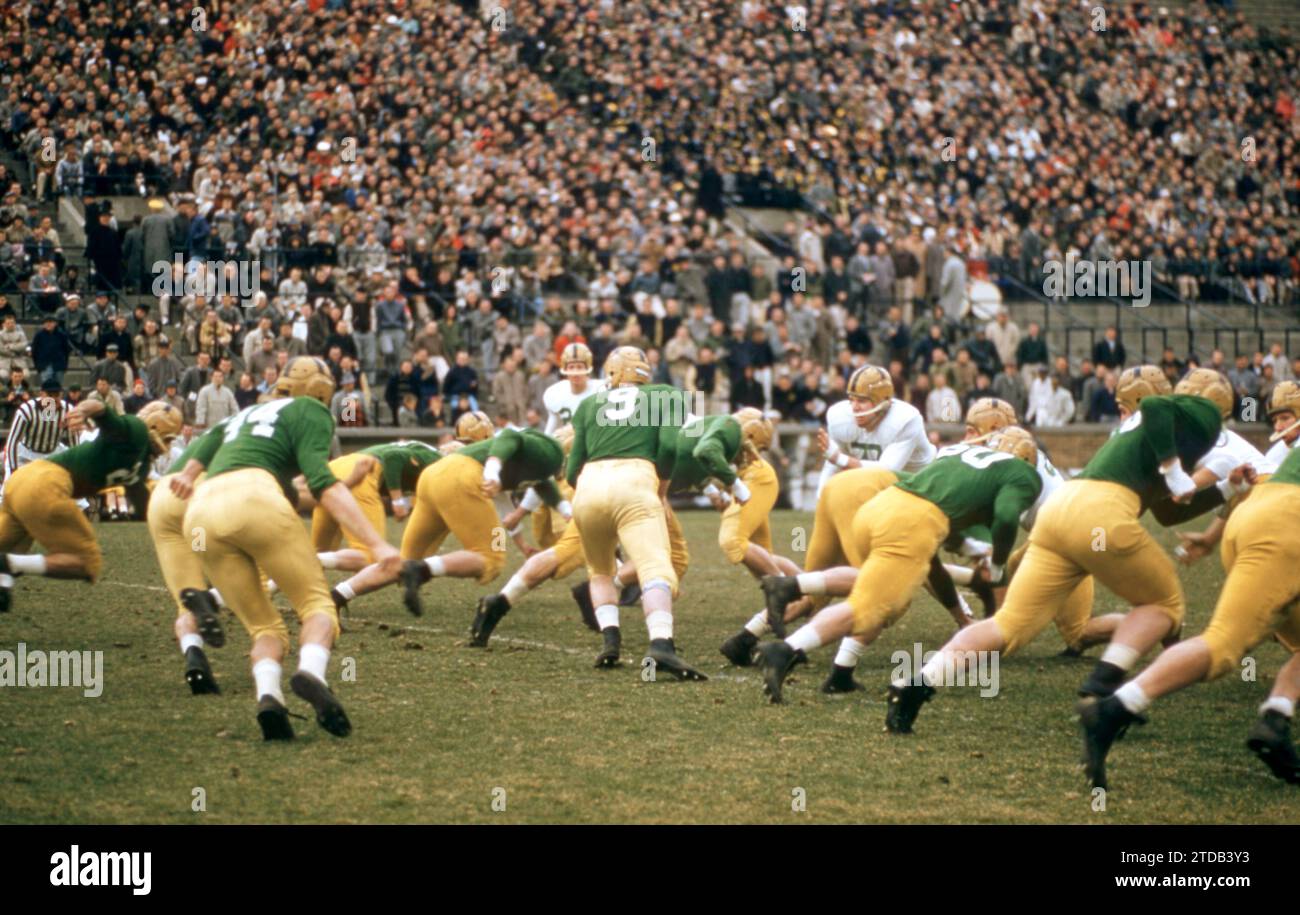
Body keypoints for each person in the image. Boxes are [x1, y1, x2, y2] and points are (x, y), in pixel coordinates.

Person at [178, 357, 400, 740]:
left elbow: (207, 439)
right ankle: (312, 673)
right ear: (320, 388)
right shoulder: (311, 409)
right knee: (316, 605)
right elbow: (320, 483)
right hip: (256, 500)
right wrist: (378, 544)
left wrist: (186, 473)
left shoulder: (249, 411)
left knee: (265, 627)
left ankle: (270, 698)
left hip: (201, 509)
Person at [565, 346, 707, 677]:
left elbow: (572, 467)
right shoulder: (665, 395)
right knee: (655, 567)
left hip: (588, 485)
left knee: (600, 572)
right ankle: (660, 645)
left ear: (612, 373)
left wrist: (586, 491)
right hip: (635, 481)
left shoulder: (588, 404)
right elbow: (671, 446)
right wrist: (662, 487)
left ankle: (610, 642)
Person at [0, 399, 180, 611]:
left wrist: (173, 526)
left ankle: (4, 581)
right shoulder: (137, 431)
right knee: (87, 561)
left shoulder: (141, 465)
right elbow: (103, 410)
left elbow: (143, 504)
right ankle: (9, 565)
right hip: (47, 483)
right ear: (154, 425)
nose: (167, 446)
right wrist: (84, 410)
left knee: (9, 545)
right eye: (168, 439)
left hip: (23, 480)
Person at [816, 364, 935, 497]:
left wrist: (840, 458)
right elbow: (832, 463)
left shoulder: (905, 420)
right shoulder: (840, 418)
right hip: (875, 484)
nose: (854, 408)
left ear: (883, 402)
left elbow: (887, 471)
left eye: (861, 401)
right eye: (851, 400)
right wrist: (821, 499)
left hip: (919, 485)